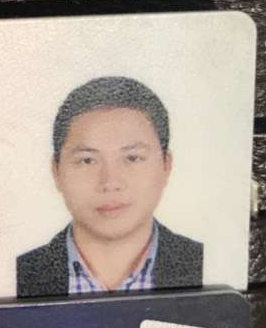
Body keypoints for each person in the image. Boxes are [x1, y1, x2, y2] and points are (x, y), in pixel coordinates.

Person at [16, 76, 203, 298]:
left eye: (132, 158)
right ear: (56, 171)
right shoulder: (21, 274)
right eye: (87, 160)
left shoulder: (202, 263)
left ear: (166, 165)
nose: (110, 183)